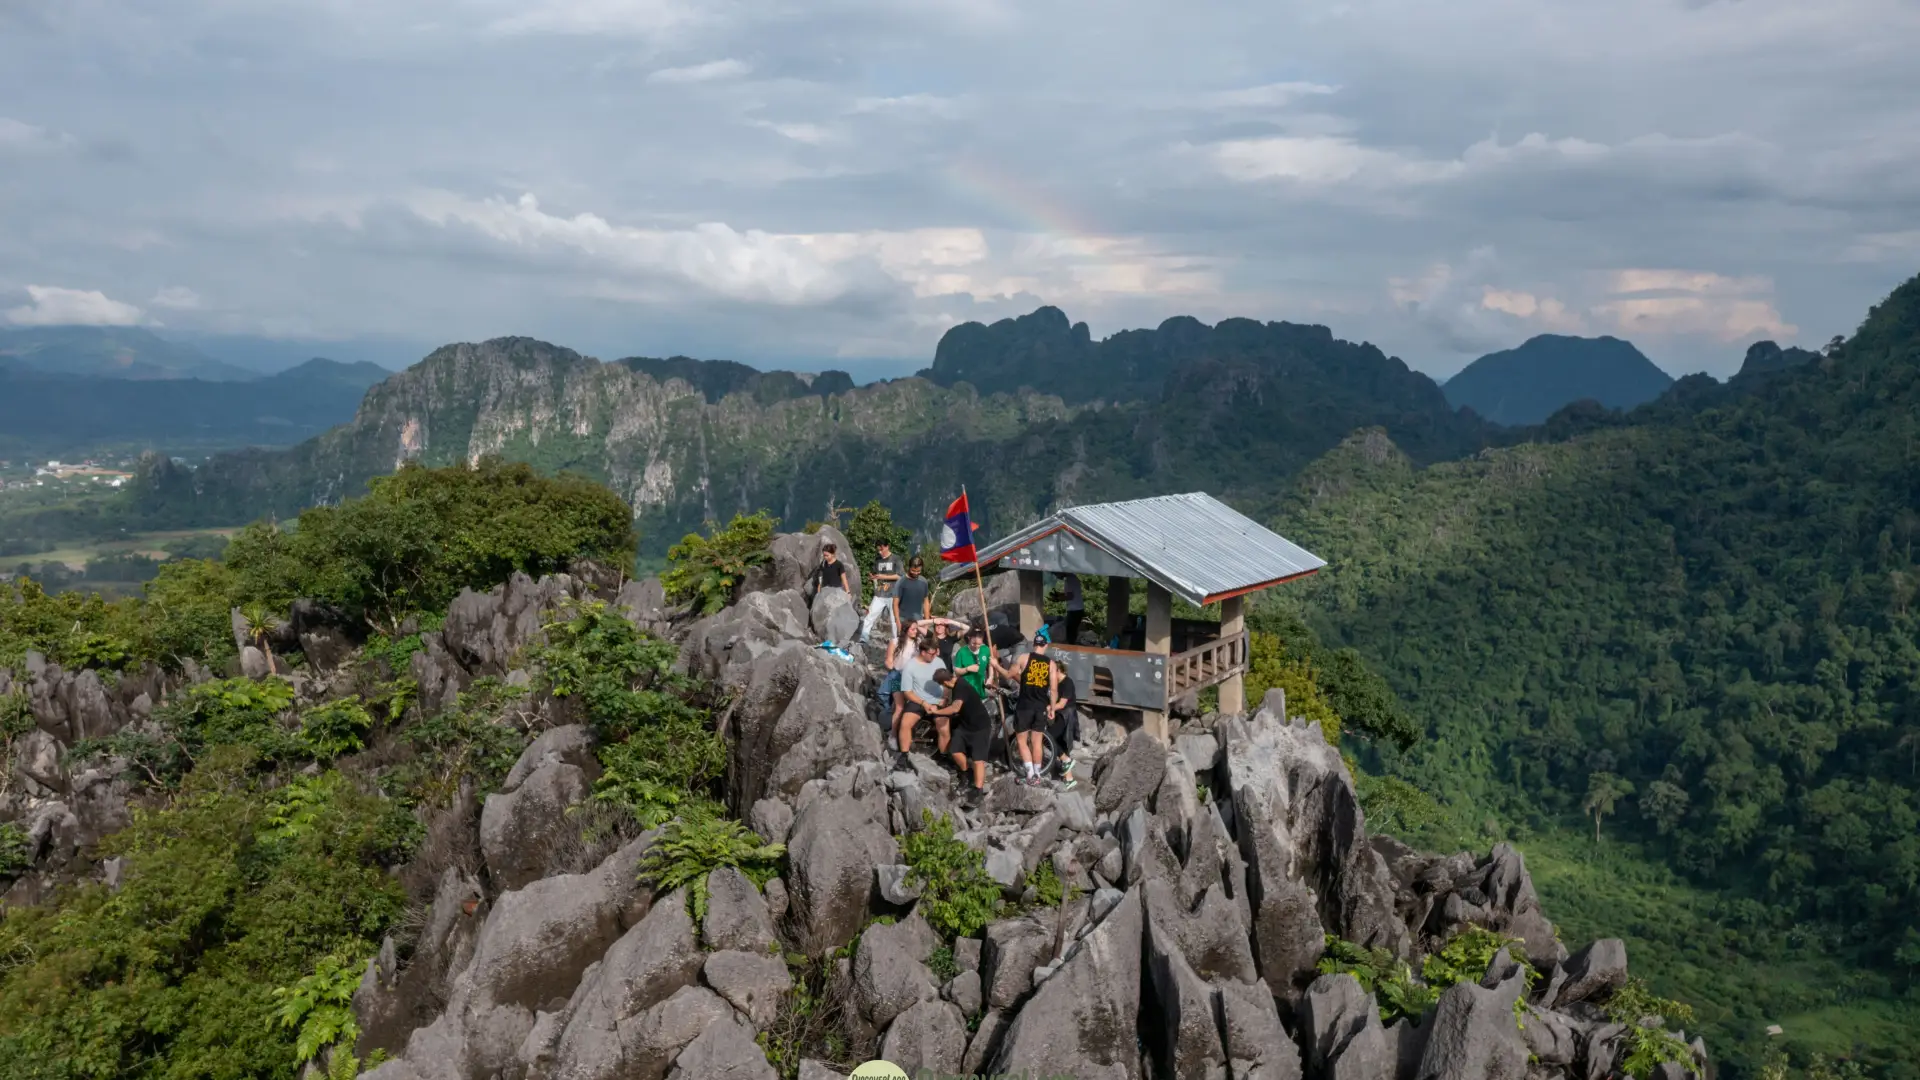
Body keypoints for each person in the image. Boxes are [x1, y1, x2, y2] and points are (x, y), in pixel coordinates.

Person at [929, 668, 993, 804]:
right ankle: (966, 774)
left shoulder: (961, 687)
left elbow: (955, 708)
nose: (943, 688)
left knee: (978, 760)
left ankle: (978, 791)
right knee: (955, 751)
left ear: (945, 682)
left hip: (980, 727)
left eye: (942, 685)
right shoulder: (955, 684)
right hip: (965, 725)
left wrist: (937, 712)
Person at [1011, 630, 1060, 786]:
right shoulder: (1051, 664)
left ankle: (1030, 773)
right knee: (1037, 742)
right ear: (1045, 645)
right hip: (1040, 707)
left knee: (1022, 741)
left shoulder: (1024, 658)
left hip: (1024, 706)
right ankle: (1037, 775)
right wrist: (1052, 708)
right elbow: (1054, 689)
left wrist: (996, 665)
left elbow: (1011, 674)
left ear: (1034, 645)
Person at [895, 634, 948, 767]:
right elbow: (907, 692)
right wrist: (923, 703)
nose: (934, 656)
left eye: (935, 653)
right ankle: (904, 755)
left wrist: (944, 698)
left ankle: (944, 756)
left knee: (944, 727)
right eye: (931, 654)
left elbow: (947, 683)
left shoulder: (939, 662)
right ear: (923, 652)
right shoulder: (910, 666)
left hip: (937, 701)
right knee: (905, 723)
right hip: (918, 700)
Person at [857, 539, 901, 644]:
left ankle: (896, 641)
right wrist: (873, 577)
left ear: (887, 546)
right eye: (878, 550)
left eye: (882, 550)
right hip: (879, 593)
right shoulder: (878, 559)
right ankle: (864, 638)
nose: (880, 552)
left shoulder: (896, 559)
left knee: (894, 619)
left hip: (893, 594)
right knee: (870, 615)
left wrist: (883, 576)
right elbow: (876, 574)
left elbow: (900, 576)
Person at [1048, 669, 1082, 790]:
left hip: (1066, 716)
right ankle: (1069, 779)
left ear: (1058, 670)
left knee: (1048, 737)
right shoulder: (1056, 683)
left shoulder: (1067, 682)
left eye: (1051, 672)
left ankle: (1066, 760)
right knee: (1062, 743)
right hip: (1060, 716)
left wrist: (1049, 708)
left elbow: (1062, 704)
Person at [896, 557, 933, 626]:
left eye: (918, 571)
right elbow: (895, 604)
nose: (916, 573)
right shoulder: (901, 581)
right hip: (903, 621)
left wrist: (927, 622)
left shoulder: (924, 581)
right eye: (913, 570)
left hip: (919, 621)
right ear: (909, 567)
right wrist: (898, 622)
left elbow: (926, 602)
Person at [1062, 572, 1085, 645]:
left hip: (1074, 610)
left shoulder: (1069, 580)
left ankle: (1071, 649)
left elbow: (1070, 596)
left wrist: (1057, 598)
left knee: (1070, 634)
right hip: (1078, 609)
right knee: (1073, 632)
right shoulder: (1074, 578)